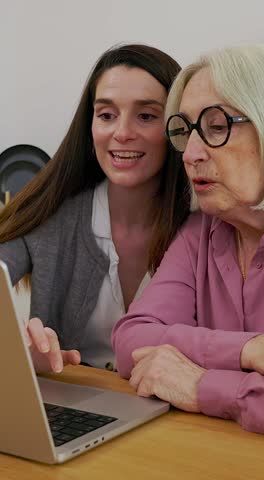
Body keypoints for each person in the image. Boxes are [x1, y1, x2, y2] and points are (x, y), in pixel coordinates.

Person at [0, 44, 190, 374]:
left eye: (146, 116)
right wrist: (15, 347)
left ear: (177, 128)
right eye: (106, 115)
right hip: (78, 411)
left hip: (182, 416)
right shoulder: (50, 214)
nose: (122, 133)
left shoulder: (204, 227)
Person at [112, 44, 264, 435]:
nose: (190, 154)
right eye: (185, 131)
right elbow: (132, 340)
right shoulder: (199, 232)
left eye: (217, 126)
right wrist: (248, 350)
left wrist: (203, 385)